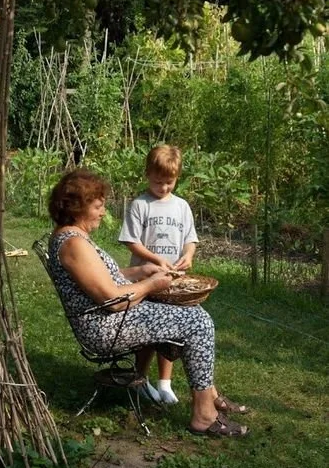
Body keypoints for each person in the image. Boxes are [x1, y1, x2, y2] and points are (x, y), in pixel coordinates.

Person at [48, 168, 249, 437]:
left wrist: (141, 272)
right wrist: (152, 284)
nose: (103, 212)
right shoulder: (72, 243)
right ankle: (204, 415)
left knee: (192, 312)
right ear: (77, 208)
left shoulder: (73, 238)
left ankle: (209, 396)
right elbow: (112, 299)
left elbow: (102, 278)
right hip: (105, 327)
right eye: (98, 206)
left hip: (110, 319)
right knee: (198, 322)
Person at [119, 145, 198, 405]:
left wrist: (188, 254)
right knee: (148, 331)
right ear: (147, 175)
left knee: (172, 330)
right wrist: (155, 259)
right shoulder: (140, 205)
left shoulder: (182, 207)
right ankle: (140, 378)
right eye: (158, 182)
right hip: (146, 280)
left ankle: (165, 383)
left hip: (173, 281)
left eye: (169, 182)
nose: (163, 187)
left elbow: (190, 239)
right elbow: (131, 241)